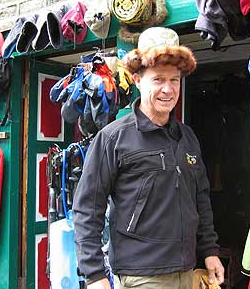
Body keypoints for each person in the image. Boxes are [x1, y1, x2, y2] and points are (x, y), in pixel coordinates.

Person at [72, 27, 224, 289]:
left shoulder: (187, 137)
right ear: (138, 80)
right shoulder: (113, 138)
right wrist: (94, 274)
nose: (168, 89)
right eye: (158, 80)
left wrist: (209, 250)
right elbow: (87, 208)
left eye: (174, 80)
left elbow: (200, 198)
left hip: (186, 272)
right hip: (141, 277)